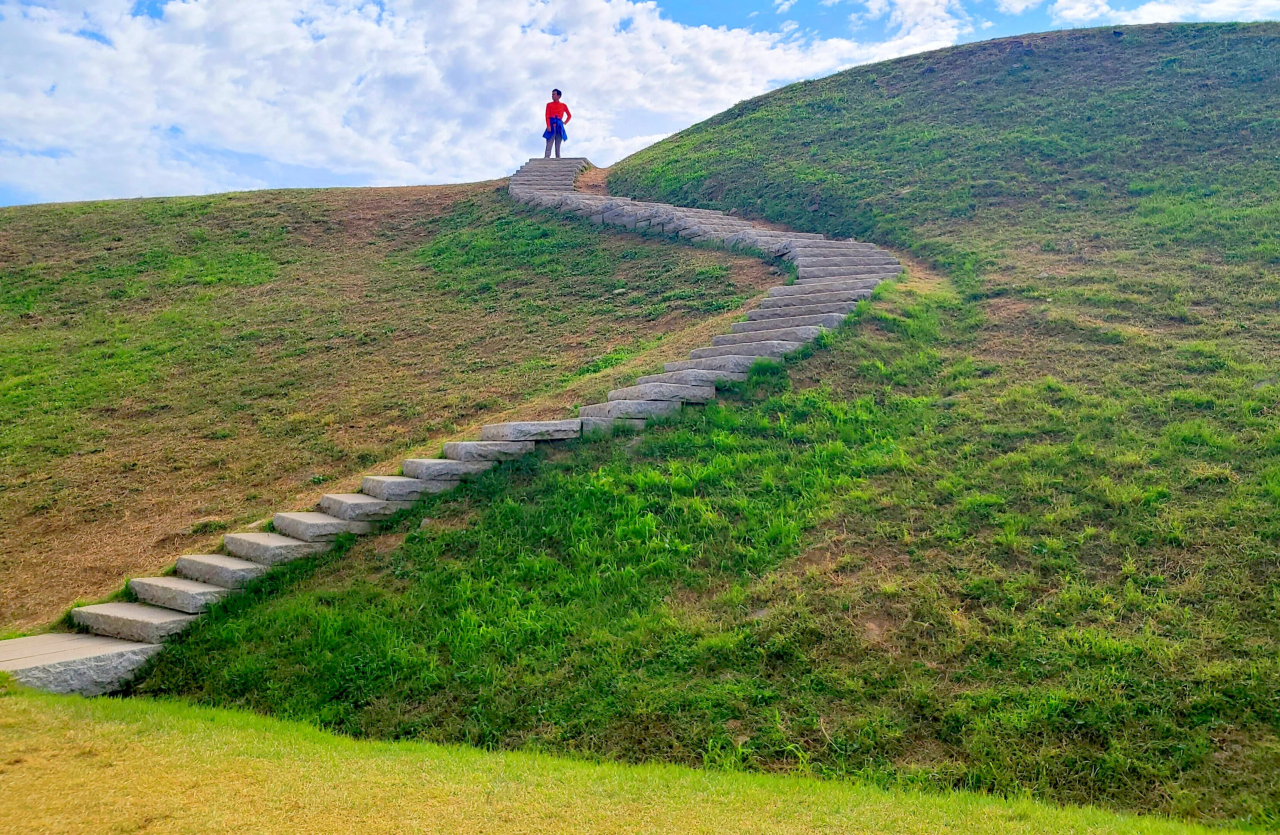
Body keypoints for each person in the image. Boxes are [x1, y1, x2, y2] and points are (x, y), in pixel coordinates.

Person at [543, 89, 571, 159]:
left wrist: (565, 122)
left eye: (554, 94)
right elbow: (547, 116)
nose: (552, 96)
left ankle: (558, 158)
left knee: (558, 143)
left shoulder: (563, 105)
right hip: (551, 125)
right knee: (549, 142)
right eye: (552, 94)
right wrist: (548, 125)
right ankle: (547, 157)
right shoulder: (549, 104)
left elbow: (569, 115)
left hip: (559, 126)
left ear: (559, 96)